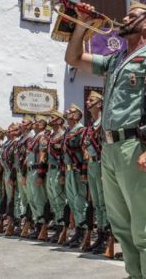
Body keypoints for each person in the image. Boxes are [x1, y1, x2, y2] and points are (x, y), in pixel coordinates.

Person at [65, 0, 146, 279]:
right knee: (122, 226)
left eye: (131, 16)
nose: (124, 19)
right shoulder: (115, 60)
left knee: (143, 225)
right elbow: (73, 58)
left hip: (134, 145)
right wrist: (81, 24)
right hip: (110, 148)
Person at [83, 91, 110, 253]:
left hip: (101, 164)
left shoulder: (104, 123)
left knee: (104, 202)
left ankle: (106, 235)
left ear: (99, 104)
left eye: (91, 100)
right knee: (97, 203)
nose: (88, 102)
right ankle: (100, 234)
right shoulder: (91, 126)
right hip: (92, 165)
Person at [63, 104, 89, 247]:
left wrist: (84, 172)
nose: (67, 112)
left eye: (70, 111)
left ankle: (83, 231)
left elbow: (85, 153)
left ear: (77, 115)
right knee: (72, 201)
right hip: (68, 171)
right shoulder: (67, 132)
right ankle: (78, 229)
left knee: (80, 201)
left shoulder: (81, 131)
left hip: (78, 171)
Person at [46, 112, 69, 243]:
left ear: (60, 121)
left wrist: (63, 173)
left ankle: (63, 227)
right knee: (53, 201)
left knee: (60, 200)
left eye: (53, 118)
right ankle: (57, 224)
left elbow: (64, 156)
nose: (50, 119)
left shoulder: (63, 135)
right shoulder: (51, 136)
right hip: (50, 170)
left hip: (59, 170)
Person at [27, 115, 50, 240]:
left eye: (36, 121)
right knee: (32, 199)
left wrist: (40, 175)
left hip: (36, 170)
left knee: (39, 199)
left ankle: (42, 226)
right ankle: (37, 223)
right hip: (30, 171)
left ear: (42, 125)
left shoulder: (42, 137)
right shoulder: (34, 138)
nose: (34, 123)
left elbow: (42, 157)